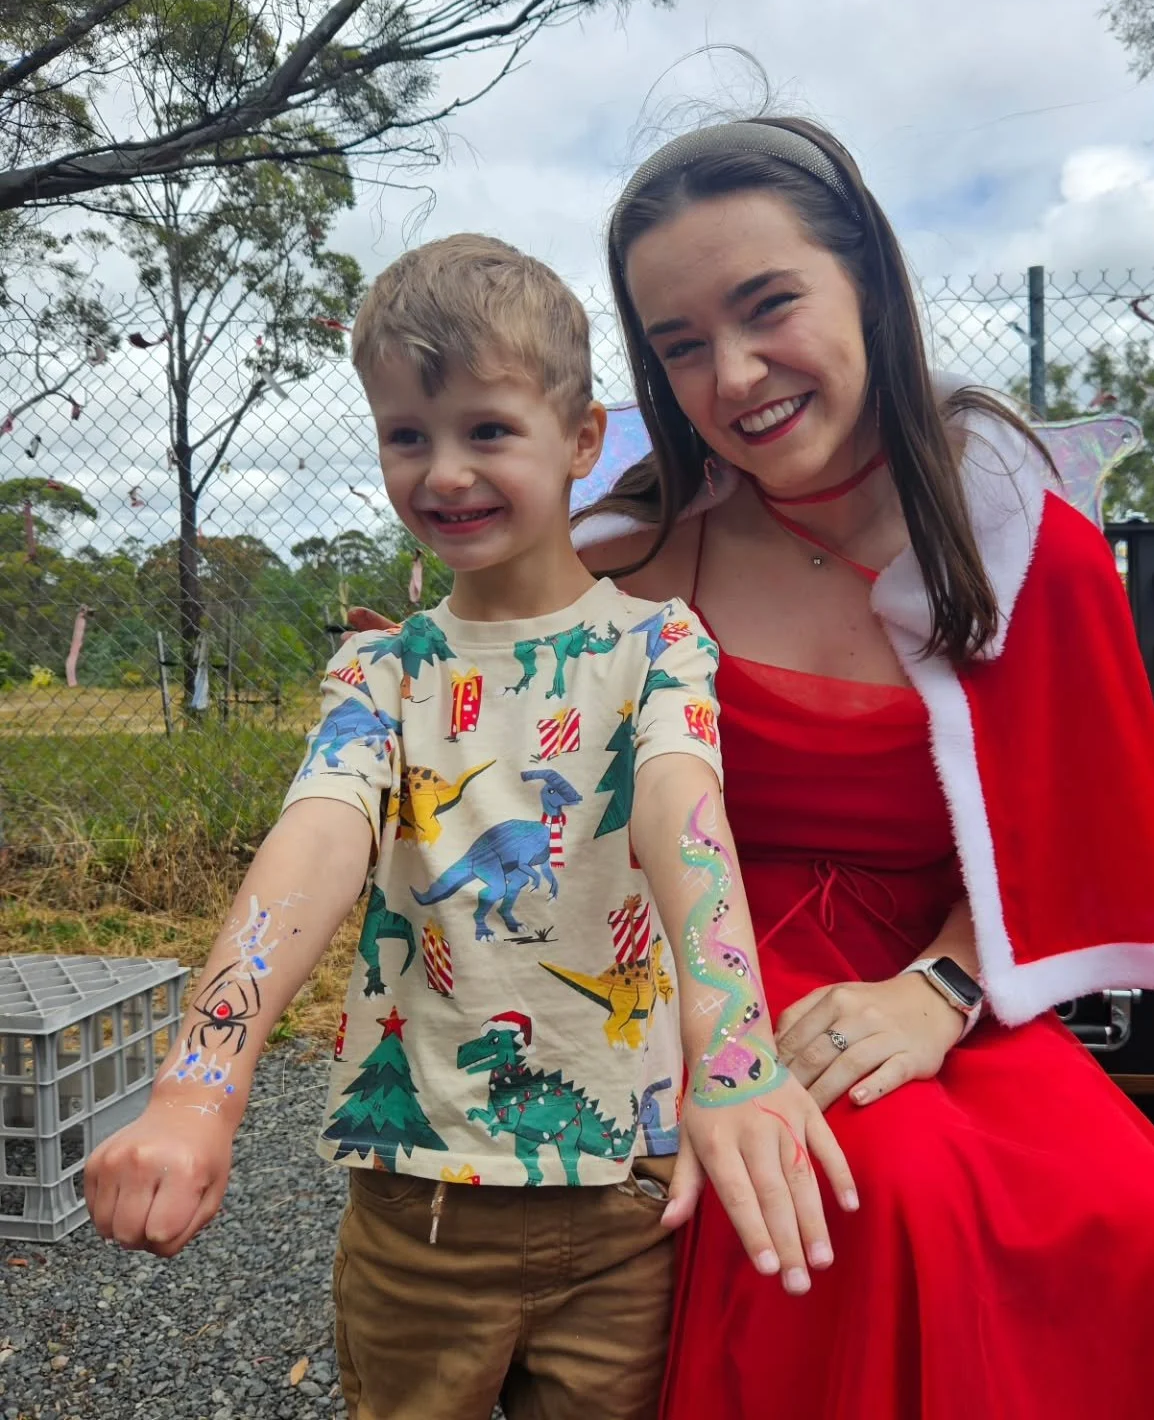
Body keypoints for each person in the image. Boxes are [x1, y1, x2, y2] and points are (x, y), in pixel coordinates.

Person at [567, 118, 1154, 1419]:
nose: (732, 376)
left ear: (870, 280)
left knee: (1126, 1215)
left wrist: (942, 991)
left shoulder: (1023, 546)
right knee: (869, 1191)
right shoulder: (627, 552)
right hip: (698, 959)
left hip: (939, 968)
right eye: (679, 345)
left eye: (768, 306)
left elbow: (1071, 832)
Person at [83, 233, 855, 1420]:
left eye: (488, 429)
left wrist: (736, 1051)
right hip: (417, 1211)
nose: (444, 473)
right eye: (408, 435)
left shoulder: (659, 643)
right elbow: (320, 834)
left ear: (581, 439)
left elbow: (678, 812)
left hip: (626, 1201)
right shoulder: (381, 671)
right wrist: (201, 1082)